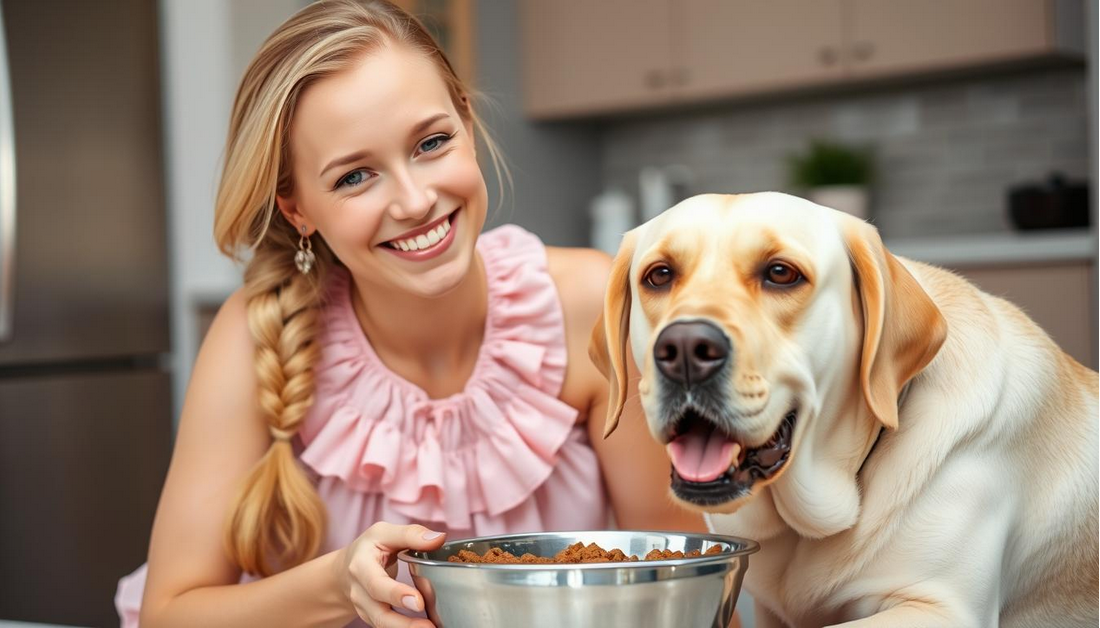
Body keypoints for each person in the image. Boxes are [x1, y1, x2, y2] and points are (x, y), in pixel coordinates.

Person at [115, 1, 705, 626]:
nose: (416, 199)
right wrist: (338, 585)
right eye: (354, 177)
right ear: (297, 211)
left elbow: (680, 580)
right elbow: (170, 614)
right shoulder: (252, 335)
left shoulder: (587, 302)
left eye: (431, 142)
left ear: (468, 123)